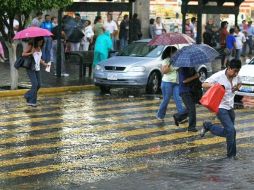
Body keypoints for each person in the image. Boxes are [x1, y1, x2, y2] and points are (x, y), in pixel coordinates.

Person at [200, 59, 242, 159]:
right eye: (234, 71)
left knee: (230, 132)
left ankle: (208, 126)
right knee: (231, 130)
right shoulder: (219, 76)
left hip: (230, 107)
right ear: (229, 68)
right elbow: (204, 84)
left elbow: (240, 83)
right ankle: (231, 156)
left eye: (238, 71)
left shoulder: (237, 76)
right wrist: (215, 85)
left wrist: (237, 87)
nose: (236, 73)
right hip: (220, 106)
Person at [156, 47, 187, 124]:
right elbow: (164, 71)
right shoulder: (166, 60)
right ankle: (160, 115)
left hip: (177, 82)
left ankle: (181, 117)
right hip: (167, 82)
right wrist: (170, 63)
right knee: (166, 100)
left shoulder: (179, 60)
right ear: (170, 53)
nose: (176, 54)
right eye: (174, 52)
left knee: (178, 99)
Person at [23, 37, 49, 107]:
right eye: (40, 41)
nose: (41, 43)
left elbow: (38, 57)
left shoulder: (39, 47)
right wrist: (31, 52)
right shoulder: (31, 45)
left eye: (42, 42)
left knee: (39, 84)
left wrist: (44, 64)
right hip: (31, 67)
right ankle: (32, 102)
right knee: (35, 84)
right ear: (36, 40)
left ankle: (28, 95)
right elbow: (23, 54)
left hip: (37, 68)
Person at [178, 67, 200, 132]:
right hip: (184, 92)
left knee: (190, 108)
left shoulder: (192, 68)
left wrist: (197, 75)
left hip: (191, 91)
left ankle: (178, 117)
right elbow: (184, 81)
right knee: (192, 109)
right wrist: (195, 76)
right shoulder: (182, 69)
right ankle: (191, 127)